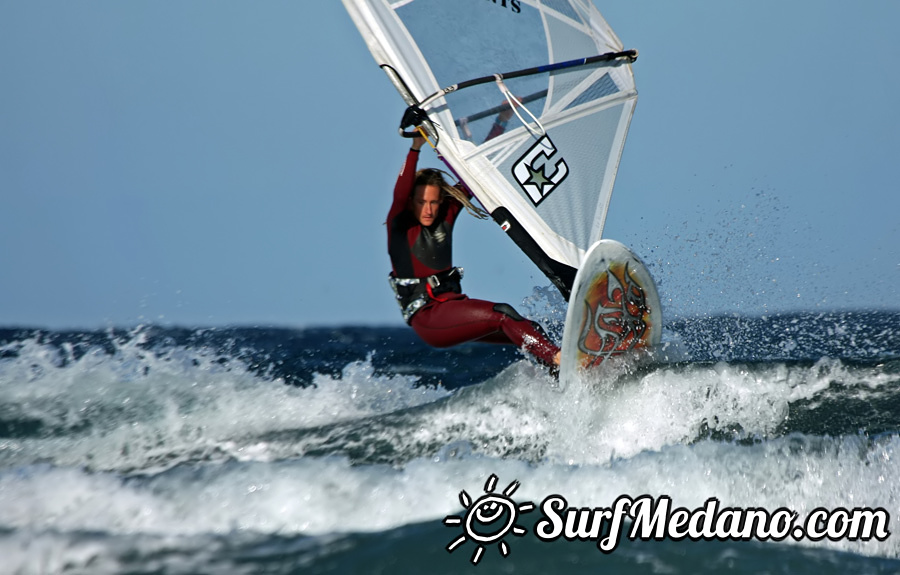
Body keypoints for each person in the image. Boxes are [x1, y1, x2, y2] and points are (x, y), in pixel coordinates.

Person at [387, 135, 561, 370]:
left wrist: (500, 121)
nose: (428, 210)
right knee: (504, 314)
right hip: (428, 316)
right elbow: (400, 193)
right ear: (411, 202)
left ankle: (558, 376)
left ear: (441, 201)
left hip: (453, 305)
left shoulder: (446, 215)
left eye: (434, 202)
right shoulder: (400, 225)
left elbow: (474, 169)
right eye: (420, 202)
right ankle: (561, 360)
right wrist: (415, 148)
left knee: (529, 328)